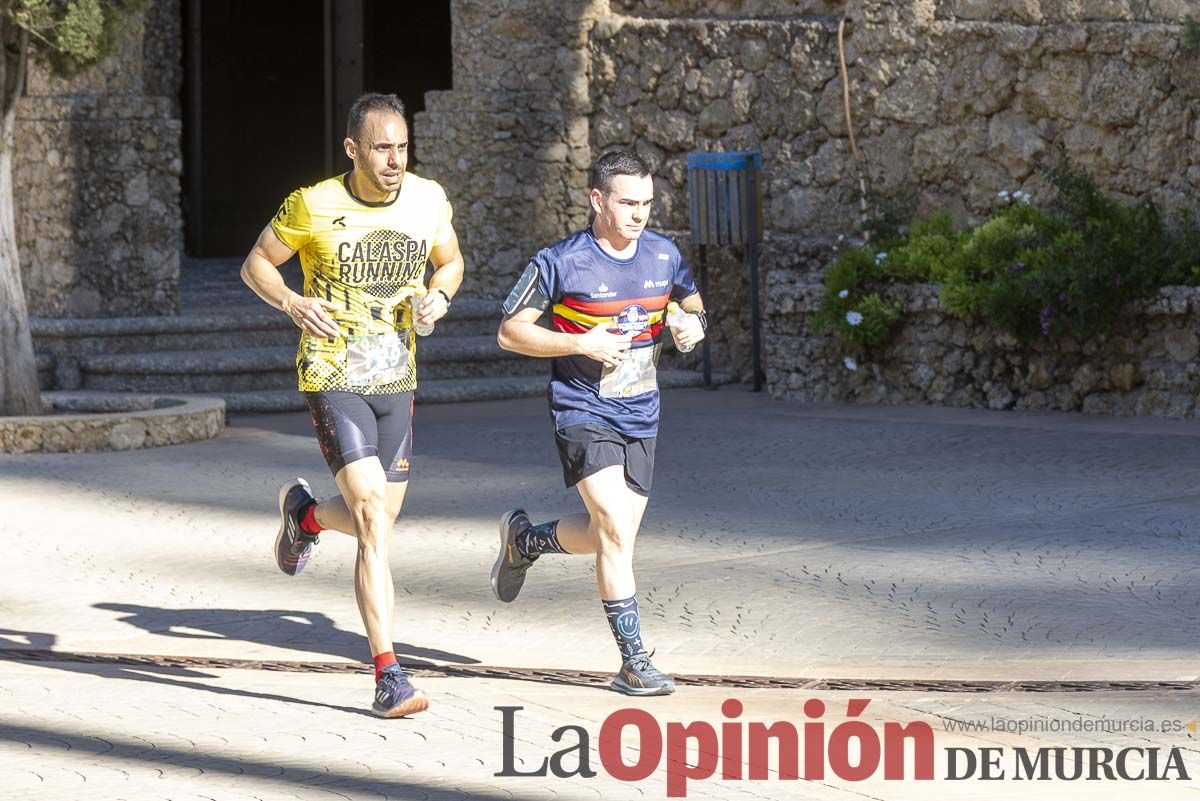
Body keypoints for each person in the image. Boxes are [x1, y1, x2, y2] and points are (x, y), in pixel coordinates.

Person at [240, 92, 463, 717]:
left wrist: (439, 298)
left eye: (402, 148)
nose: (394, 161)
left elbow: (450, 263)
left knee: (379, 519)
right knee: (370, 516)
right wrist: (291, 302)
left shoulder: (428, 199)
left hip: (397, 378)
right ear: (353, 150)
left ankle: (306, 518)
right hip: (332, 371)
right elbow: (257, 262)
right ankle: (389, 673)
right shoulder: (313, 204)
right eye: (381, 148)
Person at [492, 150, 707, 695]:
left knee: (609, 536)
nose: (640, 214)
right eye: (628, 202)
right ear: (597, 199)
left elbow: (691, 301)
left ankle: (525, 541)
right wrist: (577, 341)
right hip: (582, 407)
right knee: (612, 526)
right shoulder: (561, 261)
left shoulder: (663, 253)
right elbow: (510, 333)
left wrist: (691, 325)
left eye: (648, 203)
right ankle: (634, 661)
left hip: (642, 410)